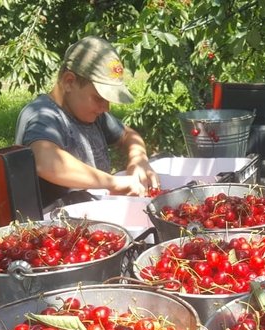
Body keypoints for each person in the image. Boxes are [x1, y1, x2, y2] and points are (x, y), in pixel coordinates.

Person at [14, 36, 159, 209]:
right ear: (69, 82)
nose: (106, 107)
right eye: (99, 98)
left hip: (92, 216)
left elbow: (128, 135)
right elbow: (46, 161)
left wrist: (138, 159)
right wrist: (112, 182)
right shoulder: (44, 116)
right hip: (55, 227)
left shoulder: (92, 114)